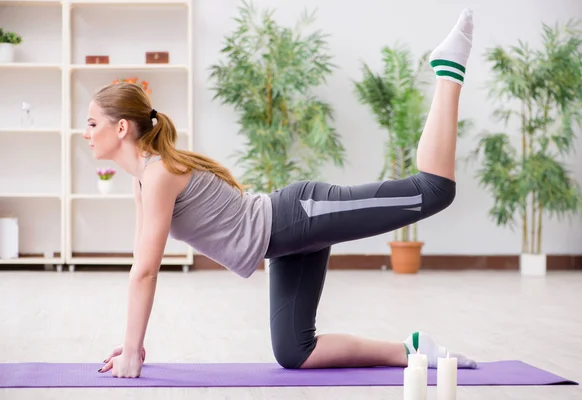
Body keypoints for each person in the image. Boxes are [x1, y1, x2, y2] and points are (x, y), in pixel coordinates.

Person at [90, 8, 477, 378]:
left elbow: (144, 273)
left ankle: (448, 71)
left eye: (92, 123)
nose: (86, 133)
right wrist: (132, 347)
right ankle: (411, 351)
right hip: (284, 243)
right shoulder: (144, 180)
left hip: (300, 213)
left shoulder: (158, 173)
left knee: (435, 190)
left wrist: (130, 348)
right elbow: (142, 263)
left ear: (122, 128)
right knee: (295, 352)